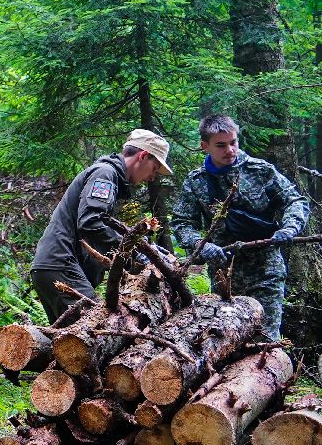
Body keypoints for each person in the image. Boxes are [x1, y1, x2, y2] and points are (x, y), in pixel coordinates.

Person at [171, 115, 309, 341]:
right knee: (228, 341)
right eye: (221, 145)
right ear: (205, 146)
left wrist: (290, 228)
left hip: (266, 269)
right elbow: (182, 222)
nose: (230, 150)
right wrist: (201, 245)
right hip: (224, 273)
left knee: (264, 339)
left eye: (233, 142)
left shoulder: (260, 171)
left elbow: (294, 201)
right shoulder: (196, 181)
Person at [30, 131, 173, 323]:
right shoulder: (105, 174)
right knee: (100, 330)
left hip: (54, 267)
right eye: (154, 168)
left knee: (70, 344)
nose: (152, 177)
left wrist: (144, 245)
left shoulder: (109, 176)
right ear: (143, 156)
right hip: (60, 266)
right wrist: (132, 249)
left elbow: (101, 227)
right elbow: (90, 222)